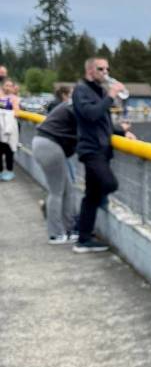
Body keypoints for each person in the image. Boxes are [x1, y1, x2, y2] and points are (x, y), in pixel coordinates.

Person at [71, 57, 135, 253]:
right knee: (109, 184)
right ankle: (81, 228)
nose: (105, 72)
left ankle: (83, 236)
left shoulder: (98, 90)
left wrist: (123, 132)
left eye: (107, 68)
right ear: (90, 71)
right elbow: (91, 114)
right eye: (101, 69)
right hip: (91, 150)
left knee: (91, 196)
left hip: (101, 149)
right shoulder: (81, 89)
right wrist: (111, 96)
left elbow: (103, 124)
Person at [31, 86, 79, 242]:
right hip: (49, 146)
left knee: (68, 190)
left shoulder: (70, 105)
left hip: (45, 144)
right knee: (57, 191)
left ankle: (68, 229)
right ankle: (56, 233)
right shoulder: (73, 108)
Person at [0, 79, 20, 180]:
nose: (8, 87)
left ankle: (9, 171)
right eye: (6, 85)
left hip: (9, 129)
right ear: (3, 86)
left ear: (13, 88)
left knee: (9, 151)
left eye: (10, 86)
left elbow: (16, 112)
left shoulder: (14, 98)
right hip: (0, 129)